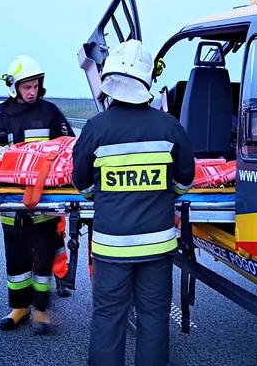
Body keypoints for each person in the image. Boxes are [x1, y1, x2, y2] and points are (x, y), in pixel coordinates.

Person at [72, 40, 195, 366]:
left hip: (112, 249)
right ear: (147, 81)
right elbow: (185, 179)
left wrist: (104, 195)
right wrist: (163, 194)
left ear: (109, 80)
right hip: (157, 247)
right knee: (154, 319)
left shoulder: (96, 128)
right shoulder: (169, 126)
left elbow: (82, 183)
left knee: (108, 319)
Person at [0, 55, 74, 334]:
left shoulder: (51, 112)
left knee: (43, 255)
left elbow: (67, 150)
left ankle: (41, 309)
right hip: (9, 203)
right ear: (13, 87)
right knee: (16, 258)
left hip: (44, 200)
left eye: (35, 86)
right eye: (26, 86)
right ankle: (19, 308)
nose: (32, 92)